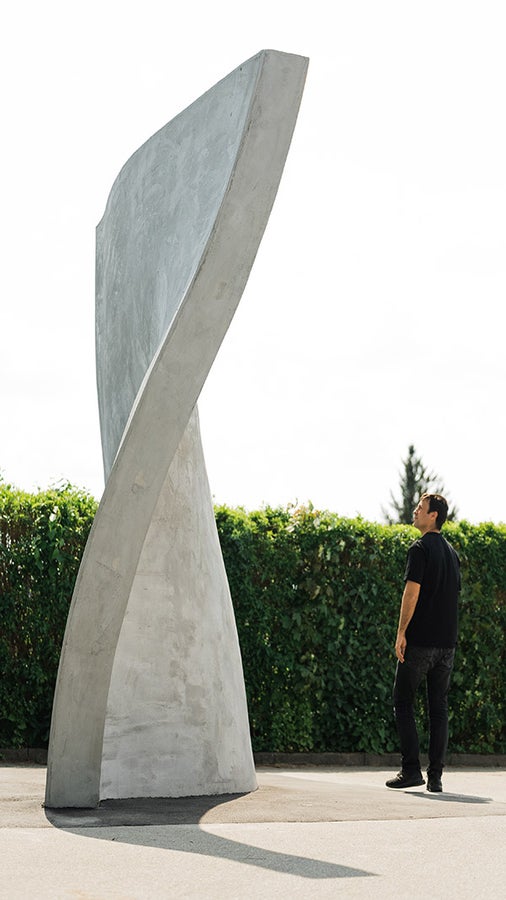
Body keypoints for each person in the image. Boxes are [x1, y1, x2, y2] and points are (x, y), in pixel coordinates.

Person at [386, 493, 461, 793]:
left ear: (434, 516)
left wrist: (401, 632)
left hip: (421, 643)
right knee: (438, 708)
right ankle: (436, 777)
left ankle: (410, 770)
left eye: (420, 508)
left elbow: (412, 593)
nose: (415, 511)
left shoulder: (419, 549)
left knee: (403, 702)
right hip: (447, 645)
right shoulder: (452, 553)